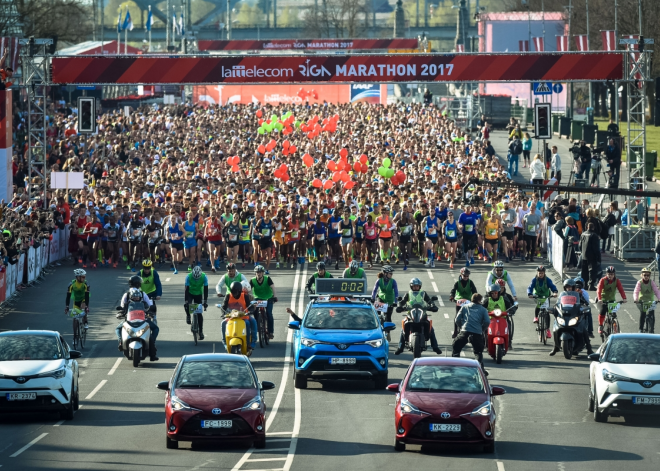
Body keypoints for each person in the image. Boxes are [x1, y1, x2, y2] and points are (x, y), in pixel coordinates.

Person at [394, 278, 442, 355]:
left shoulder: (423, 293)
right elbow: (402, 301)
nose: (415, 287)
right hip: (410, 314)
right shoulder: (408, 293)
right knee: (403, 329)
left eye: (417, 286)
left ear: (420, 286)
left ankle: (435, 347)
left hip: (422, 313)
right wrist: (399, 306)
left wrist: (433, 306)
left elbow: (429, 301)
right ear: (411, 286)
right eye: (414, 286)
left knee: (431, 328)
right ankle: (400, 347)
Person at [549, 279, 592, 356]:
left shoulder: (578, 294)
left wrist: (583, 307)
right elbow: (557, 304)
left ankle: (589, 349)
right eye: (567, 287)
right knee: (555, 326)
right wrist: (554, 309)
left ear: (573, 287)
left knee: (583, 329)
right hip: (564, 316)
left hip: (575, 315)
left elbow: (585, 303)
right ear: (565, 287)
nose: (569, 288)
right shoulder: (562, 295)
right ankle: (555, 347)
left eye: (570, 287)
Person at [116, 285, 159, 361]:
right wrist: (120, 313)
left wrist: (150, 313)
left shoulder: (144, 303)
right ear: (131, 297)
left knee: (155, 330)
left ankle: (153, 354)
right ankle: (120, 342)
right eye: (134, 297)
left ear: (140, 297)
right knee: (118, 329)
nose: (136, 298)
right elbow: (123, 311)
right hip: (129, 321)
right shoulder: (127, 304)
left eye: (138, 296)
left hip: (143, 321)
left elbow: (149, 309)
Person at [452, 293, 491, 373]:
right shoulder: (483, 310)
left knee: (456, 348)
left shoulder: (464, 307)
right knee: (478, 352)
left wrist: (462, 327)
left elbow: (457, 320)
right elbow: (487, 321)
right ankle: (480, 369)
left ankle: (454, 368)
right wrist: (482, 329)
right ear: (480, 300)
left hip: (465, 331)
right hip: (477, 333)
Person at [220, 281, 257, 353]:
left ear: (240, 291)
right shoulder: (228, 296)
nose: (234, 294)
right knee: (223, 323)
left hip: (243, 317)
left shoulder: (245, 296)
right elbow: (223, 306)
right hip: (231, 317)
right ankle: (224, 342)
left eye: (236, 292)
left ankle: (251, 342)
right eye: (233, 292)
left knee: (251, 322)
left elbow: (250, 306)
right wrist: (223, 313)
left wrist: (250, 311)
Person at [527, 266, 559, 338]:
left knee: (547, 312)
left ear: (544, 273)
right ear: (537, 273)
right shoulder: (534, 280)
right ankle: (536, 317)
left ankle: (547, 329)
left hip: (546, 296)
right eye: (539, 273)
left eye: (542, 273)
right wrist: (530, 294)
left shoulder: (547, 280)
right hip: (537, 296)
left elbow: (552, 286)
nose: (540, 274)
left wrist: (555, 292)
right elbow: (530, 287)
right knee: (539, 305)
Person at [482, 283, 515, 349]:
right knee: (483, 328)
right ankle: (484, 342)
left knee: (509, 325)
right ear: (490, 294)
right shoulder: (487, 300)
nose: (494, 294)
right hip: (490, 319)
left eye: (496, 293)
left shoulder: (504, 299)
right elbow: (481, 307)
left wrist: (511, 311)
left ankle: (509, 342)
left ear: (499, 293)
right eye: (492, 293)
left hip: (503, 318)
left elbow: (511, 306)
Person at [595, 266, 627, 335]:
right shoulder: (603, 280)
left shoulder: (617, 281)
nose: (610, 276)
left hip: (611, 300)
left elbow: (621, 289)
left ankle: (615, 328)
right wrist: (600, 299)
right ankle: (600, 325)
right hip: (602, 300)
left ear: (614, 274)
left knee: (613, 314)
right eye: (609, 274)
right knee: (603, 310)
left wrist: (624, 298)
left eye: (612, 274)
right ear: (606, 274)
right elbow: (599, 290)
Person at [250, 265, 278, 340]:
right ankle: (258, 325)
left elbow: (273, 287)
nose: (258, 274)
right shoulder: (252, 280)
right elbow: (248, 289)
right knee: (254, 311)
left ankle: (270, 332)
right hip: (257, 298)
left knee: (269, 313)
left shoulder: (267, 279)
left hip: (268, 298)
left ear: (263, 273)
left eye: (260, 272)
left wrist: (275, 297)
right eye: (257, 272)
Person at [632, 268, 660, 333]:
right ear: (641, 275)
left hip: (650, 301)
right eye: (645, 275)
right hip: (642, 301)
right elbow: (636, 291)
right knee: (643, 313)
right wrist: (636, 299)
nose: (646, 277)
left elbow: (656, 291)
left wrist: (659, 298)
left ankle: (652, 329)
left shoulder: (652, 282)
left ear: (649, 276)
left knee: (652, 314)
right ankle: (641, 329)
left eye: (648, 275)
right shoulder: (639, 282)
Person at [185, 266, 209, 339]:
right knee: (187, 305)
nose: (196, 279)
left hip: (199, 294)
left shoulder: (204, 277)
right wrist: (186, 301)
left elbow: (206, 290)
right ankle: (188, 315)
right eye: (195, 278)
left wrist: (205, 301)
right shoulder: (188, 277)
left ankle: (201, 331)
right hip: (190, 293)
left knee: (199, 313)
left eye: (197, 278)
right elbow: (186, 290)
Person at [579, 222, 601, 290]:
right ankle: (591, 285)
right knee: (592, 270)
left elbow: (580, 245)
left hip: (584, 255)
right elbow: (596, 248)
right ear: (593, 228)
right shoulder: (594, 235)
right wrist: (598, 257)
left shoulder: (583, 234)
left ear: (587, 227)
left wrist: (582, 252)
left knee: (584, 270)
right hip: (592, 255)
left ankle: (585, 284)